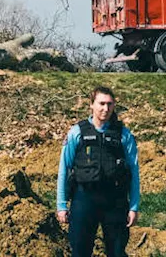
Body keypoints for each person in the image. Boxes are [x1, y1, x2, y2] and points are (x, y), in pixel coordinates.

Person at [56, 86, 140, 257]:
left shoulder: (123, 135)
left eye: (110, 104)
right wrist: (61, 205)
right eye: (101, 103)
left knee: (116, 252)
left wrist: (134, 207)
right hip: (84, 198)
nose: (105, 109)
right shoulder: (77, 133)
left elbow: (134, 172)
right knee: (80, 251)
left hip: (115, 201)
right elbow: (64, 169)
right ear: (91, 105)